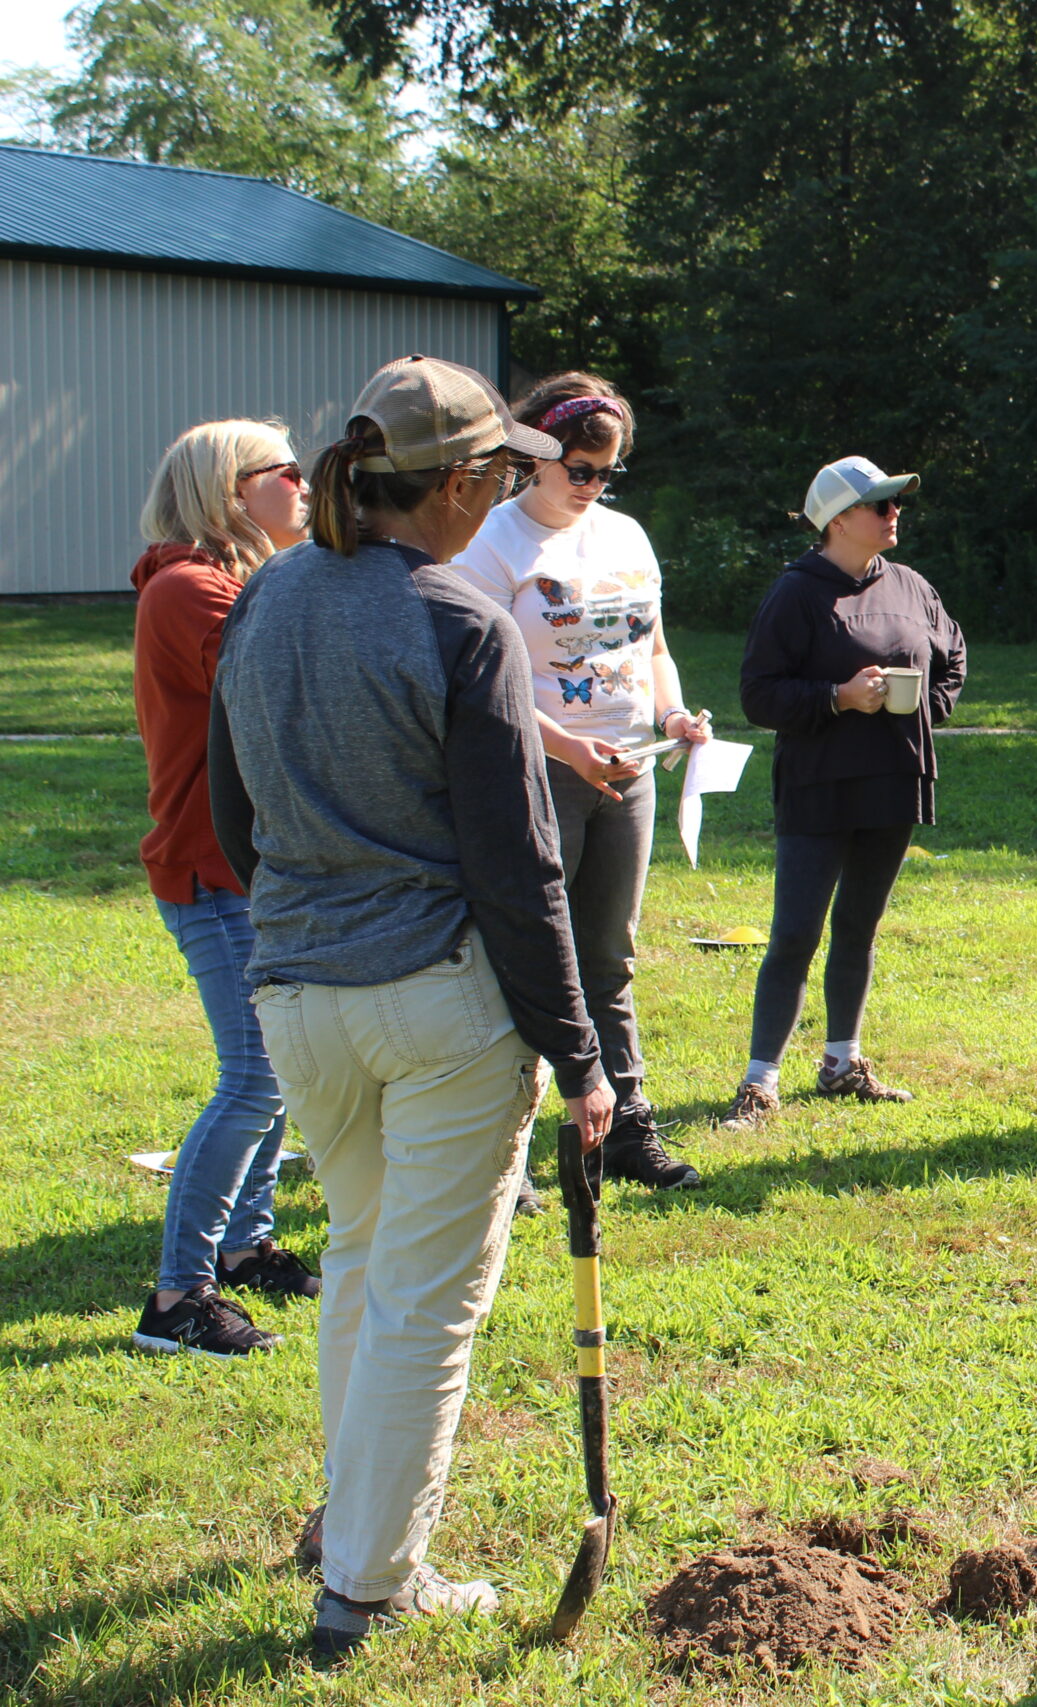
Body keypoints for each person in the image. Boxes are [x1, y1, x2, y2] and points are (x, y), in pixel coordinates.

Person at [205, 354, 616, 1661]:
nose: (500, 493)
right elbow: (519, 862)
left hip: (299, 996)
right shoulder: (460, 621)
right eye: (498, 474)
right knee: (427, 1299)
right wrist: (583, 1051)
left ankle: (353, 1527)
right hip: (435, 1005)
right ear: (455, 484)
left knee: (369, 1266)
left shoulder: (262, 602)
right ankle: (372, 1581)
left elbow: (233, 818)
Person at [451, 371, 707, 1200]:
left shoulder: (627, 538)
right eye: (579, 470)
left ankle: (627, 1127)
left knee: (609, 954)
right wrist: (569, 749)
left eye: (608, 472)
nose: (592, 488)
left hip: (626, 773)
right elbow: (487, 684)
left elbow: (653, 650)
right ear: (535, 458)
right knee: (529, 956)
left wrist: (671, 719)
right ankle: (512, 1156)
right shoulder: (489, 544)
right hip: (537, 774)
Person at [128, 419, 322, 1358]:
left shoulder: (238, 582)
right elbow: (284, 689)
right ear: (230, 491)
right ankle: (178, 1296)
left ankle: (245, 1248)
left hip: (252, 868)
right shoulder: (189, 590)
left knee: (278, 1071)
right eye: (286, 471)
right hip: (211, 873)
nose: (305, 482)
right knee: (252, 1077)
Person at [719, 454, 966, 1130]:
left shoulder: (911, 585)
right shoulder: (796, 593)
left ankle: (841, 1062)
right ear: (837, 520)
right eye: (880, 505)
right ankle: (759, 1080)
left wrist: (925, 711)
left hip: (893, 777)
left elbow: (953, 654)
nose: (894, 515)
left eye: (895, 504)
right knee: (795, 932)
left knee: (859, 925)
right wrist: (838, 697)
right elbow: (758, 693)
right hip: (818, 785)